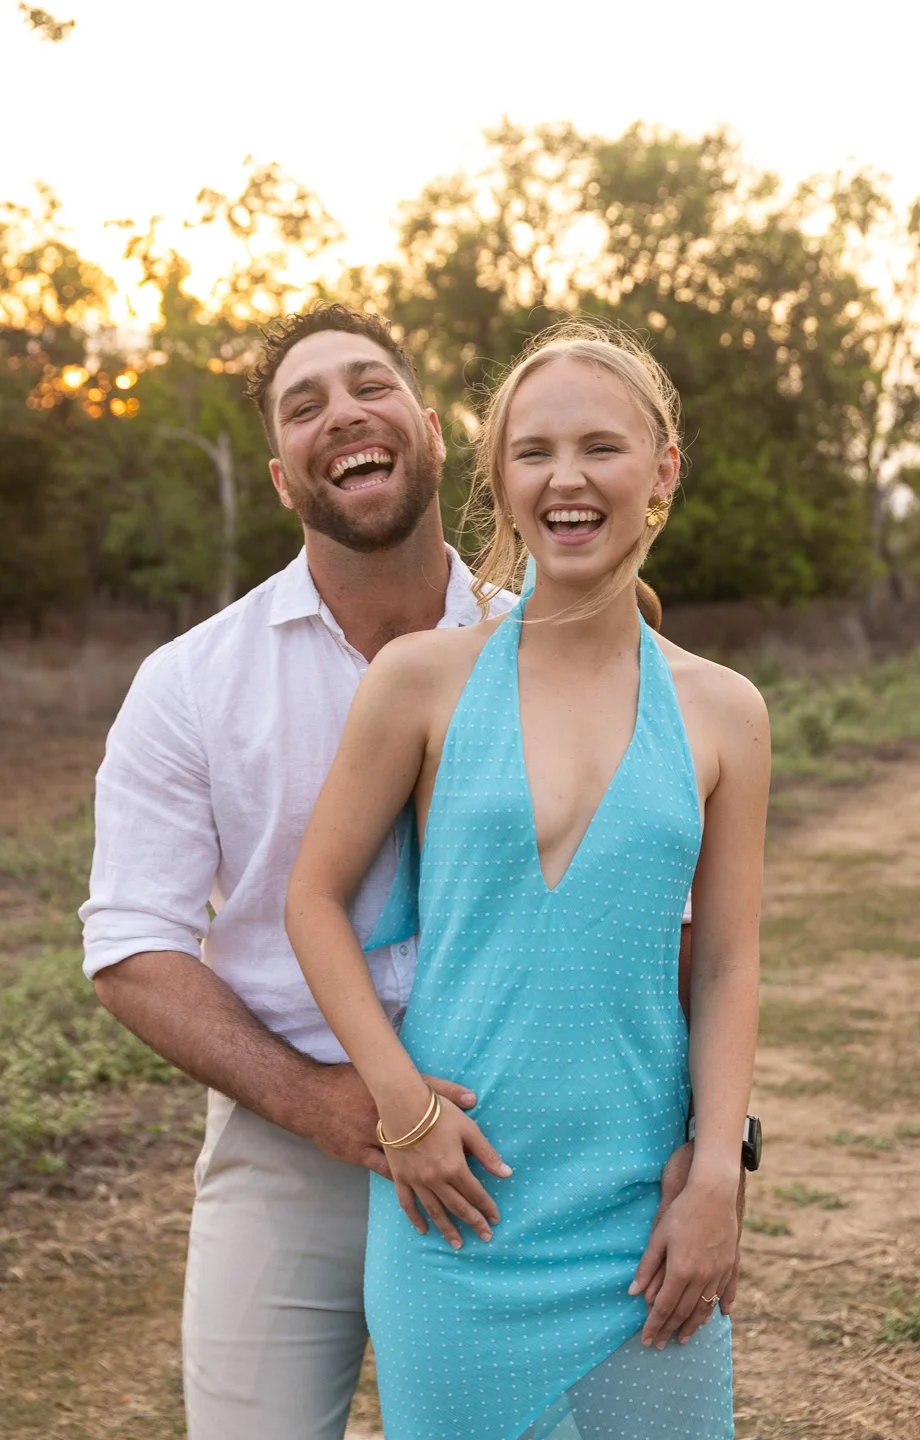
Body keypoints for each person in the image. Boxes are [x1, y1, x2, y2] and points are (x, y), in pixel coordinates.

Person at [80, 305, 732, 1440]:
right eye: (304, 404)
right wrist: (342, 1103)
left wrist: (712, 1145)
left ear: (433, 433)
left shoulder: (564, 628)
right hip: (291, 1125)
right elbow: (131, 948)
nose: (343, 413)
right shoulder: (192, 682)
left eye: (369, 385)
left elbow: (668, 926)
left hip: (541, 1147)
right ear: (283, 476)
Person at [286, 320, 769, 1439]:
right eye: (534, 452)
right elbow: (311, 902)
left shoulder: (726, 711)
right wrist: (402, 1109)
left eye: (601, 447)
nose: (568, 479)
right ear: (499, 481)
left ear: (663, 471)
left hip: (640, 1217)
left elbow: (730, 964)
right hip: (456, 1211)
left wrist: (714, 1179)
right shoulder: (420, 682)